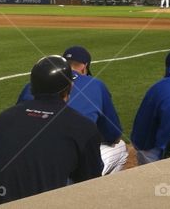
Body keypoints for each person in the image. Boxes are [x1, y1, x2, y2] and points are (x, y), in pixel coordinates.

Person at [0, 55, 103, 207]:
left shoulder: (4, 118)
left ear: (32, 87)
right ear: (70, 87)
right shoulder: (82, 126)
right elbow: (90, 185)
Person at [16, 46, 126, 175]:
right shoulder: (96, 84)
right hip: (67, 169)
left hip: (27, 162)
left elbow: (19, 121)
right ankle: (94, 192)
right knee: (120, 147)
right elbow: (113, 134)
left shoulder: (30, 86)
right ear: (84, 67)